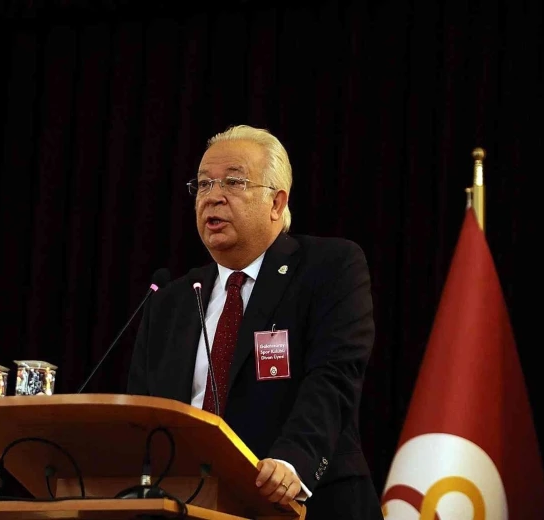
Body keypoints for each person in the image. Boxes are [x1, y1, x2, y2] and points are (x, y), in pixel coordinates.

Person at [127, 125, 383, 519]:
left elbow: (333, 379)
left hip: (305, 505)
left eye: (234, 182)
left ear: (277, 203)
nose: (213, 196)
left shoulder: (329, 268)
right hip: (187, 506)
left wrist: (292, 461)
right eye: (204, 184)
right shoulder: (171, 301)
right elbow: (143, 415)